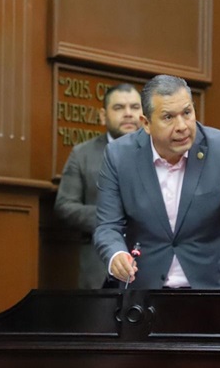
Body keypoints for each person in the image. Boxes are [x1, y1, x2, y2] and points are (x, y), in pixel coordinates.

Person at [94, 74, 220, 289]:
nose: (182, 126)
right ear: (146, 123)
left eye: (187, 113)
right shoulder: (119, 156)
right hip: (147, 290)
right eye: (168, 117)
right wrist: (116, 255)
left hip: (216, 289)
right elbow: (107, 226)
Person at [54, 83, 143, 289]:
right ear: (103, 115)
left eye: (135, 107)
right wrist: (111, 218)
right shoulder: (82, 154)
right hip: (99, 269)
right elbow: (64, 206)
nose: (128, 113)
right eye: (119, 107)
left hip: (150, 267)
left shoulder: (160, 152)